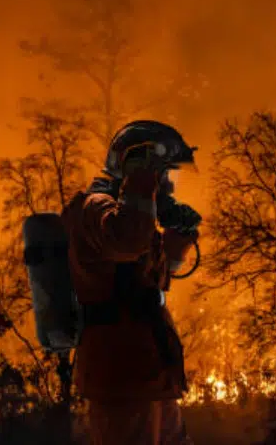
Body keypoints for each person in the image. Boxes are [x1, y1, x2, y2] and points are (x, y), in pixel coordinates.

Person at [62, 121, 202, 445]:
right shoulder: (96, 209)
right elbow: (127, 242)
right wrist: (141, 184)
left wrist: (174, 250)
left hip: (149, 375)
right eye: (164, 174)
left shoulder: (128, 214)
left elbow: (147, 289)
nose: (168, 187)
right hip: (122, 379)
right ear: (138, 169)